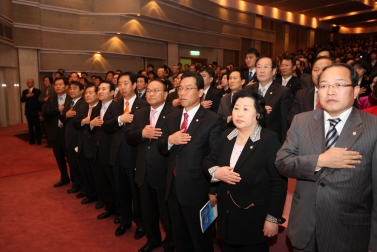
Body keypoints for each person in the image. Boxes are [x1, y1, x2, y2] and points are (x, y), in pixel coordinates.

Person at [276, 63, 377, 252]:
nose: (330, 91)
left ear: (355, 90)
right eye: (323, 86)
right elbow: (282, 162)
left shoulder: (373, 127)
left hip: (349, 235)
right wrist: (319, 161)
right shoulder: (302, 121)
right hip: (304, 230)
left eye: (339, 85)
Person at [203, 89, 287, 251]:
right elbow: (208, 161)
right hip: (227, 215)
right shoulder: (227, 135)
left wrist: (273, 218)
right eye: (236, 108)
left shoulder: (268, 139)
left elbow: (278, 182)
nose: (239, 113)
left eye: (246, 109)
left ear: (258, 113)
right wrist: (216, 172)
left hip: (253, 216)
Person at [157, 72, 223, 252]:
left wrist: (213, 190)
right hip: (172, 187)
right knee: (179, 236)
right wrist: (170, 140)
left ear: (201, 91)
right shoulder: (172, 116)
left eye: (188, 88)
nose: (183, 93)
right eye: (180, 88)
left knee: (200, 239)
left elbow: (215, 157)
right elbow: (161, 147)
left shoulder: (212, 119)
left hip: (197, 189)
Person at [126, 79, 175, 252]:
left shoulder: (174, 114)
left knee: (167, 213)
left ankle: (170, 243)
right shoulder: (140, 113)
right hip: (143, 170)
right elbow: (129, 136)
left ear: (166, 94)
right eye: (148, 90)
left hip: (163, 172)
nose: (151, 94)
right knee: (147, 212)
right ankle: (153, 239)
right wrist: (142, 133)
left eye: (156, 90)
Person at [102, 72, 148, 238]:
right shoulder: (115, 105)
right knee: (121, 192)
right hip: (117, 155)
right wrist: (120, 119)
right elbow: (106, 126)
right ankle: (125, 221)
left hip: (134, 155)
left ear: (135, 85)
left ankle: (141, 224)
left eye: (126, 83)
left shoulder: (143, 104)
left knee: (136, 194)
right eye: (119, 84)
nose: (122, 87)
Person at [246, 56, 292, 144]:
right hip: (248, 140)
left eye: (266, 67)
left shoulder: (283, 92)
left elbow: (284, 124)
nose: (262, 70)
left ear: (274, 71)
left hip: (270, 142)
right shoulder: (248, 90)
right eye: (259, 67)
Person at [72, 84, 101, 205]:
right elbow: (75, 123)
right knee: (86, 172)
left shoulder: (101, 108)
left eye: (90, 93)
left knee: (97, 175)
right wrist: (85, 121)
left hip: (94, 147)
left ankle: (100, 198)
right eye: (86, 93)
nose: (87, 95)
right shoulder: (83, 108)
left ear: (97, 94)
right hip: (82, 144)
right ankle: (91, 194)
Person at [58, 81, 85, 196]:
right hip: (68, 137)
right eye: (71, 88)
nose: (72, 91)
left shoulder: (83, 104)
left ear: (82, 91)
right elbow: (62, 117)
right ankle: (76, 184)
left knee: (80, 166)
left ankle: (83, 187)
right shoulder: (69, 102)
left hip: (77, 138)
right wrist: (66, 115)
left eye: (75, 88)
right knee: (72, 164)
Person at [287, 56, 333, 124]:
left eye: (324, 69)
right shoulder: (302, 95)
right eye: (315, 70)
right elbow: (292, 120)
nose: (319, 73)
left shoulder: (340, 94)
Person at [43, 77, 71, 187]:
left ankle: (76, 181)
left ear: (66, 86)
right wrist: (58, 110)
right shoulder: (51, 99)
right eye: (56, 85)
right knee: (59, 157)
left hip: (67, 132)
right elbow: (45, 113)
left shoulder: (70, 98)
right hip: (55, 132)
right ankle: (64, 178)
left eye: (60, 84)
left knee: (70, 158)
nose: (58, 87)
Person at [20, 78, 42, 145]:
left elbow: (39, 102)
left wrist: (40, 110)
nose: (29, 83)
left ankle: (38, 140)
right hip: (28, 111)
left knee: (37, 126)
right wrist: (27, 96)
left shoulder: (37, 91)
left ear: (33, 83)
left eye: (30, 82)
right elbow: (22, 100)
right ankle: (32, 140)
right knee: (30, 126)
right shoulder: (24, 91)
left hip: (35, 111)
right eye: (27, 82)